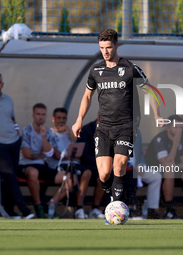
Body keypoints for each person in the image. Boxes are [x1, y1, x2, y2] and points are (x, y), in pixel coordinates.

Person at [72, 29, 161, 224]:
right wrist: (79, 119)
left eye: (108, 47)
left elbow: (150, 90)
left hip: (126, 126)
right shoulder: (95, 71)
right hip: (103, 129)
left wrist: (157, 114)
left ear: (116, 45)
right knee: (104, 174)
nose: (105, 51)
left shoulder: (130, 68)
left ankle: (117, 208)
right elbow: (87, 96)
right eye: (102, 48)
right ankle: (114, 196)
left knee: (118, 165)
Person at [0, 72, 34, 219]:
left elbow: (13, 119)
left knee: (12, 176)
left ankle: (10, 211)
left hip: (14, 142)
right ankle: (25, 211)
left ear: (2, 84)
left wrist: (18, 134)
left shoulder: (8, 100)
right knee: (10, 176)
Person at [18, 103, 66, 218]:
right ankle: (38, 206)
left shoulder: (48, 132)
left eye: (43, 115)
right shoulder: (26, 130)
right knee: (33, 172)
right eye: (38, 114)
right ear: (33, 115)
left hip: (42, 166)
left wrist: (44, 137)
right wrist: (41, 155)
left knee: (68, 178)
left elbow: (49, 153)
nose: (41, 117)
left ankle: (50, 205)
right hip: (26, 165)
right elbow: (27, 154)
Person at [145, 115, 183, 219]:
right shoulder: (160, 138)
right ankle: (169, 208)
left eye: (180, 128)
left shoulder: (182, 138)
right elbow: (165, 162)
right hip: (155, 169)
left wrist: (175, 166)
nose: (178, 130)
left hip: (173, 168)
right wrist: (175, 143)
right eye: (175, 127)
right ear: (168, 127)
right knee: (169, 170)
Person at [46, 108, 92, 219]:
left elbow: (78, 151)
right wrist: (70, 155)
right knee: (72, 180)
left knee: (88, 173)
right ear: (53, 119)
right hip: (58, 165)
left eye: (64, 118)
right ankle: (50, 204)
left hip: (72, 163)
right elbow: (56, 155)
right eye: (59, 118)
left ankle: (79, 208)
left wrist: (71, 134)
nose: (61, 121)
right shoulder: (49, 133)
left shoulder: (67, 134)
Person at [77, 114, 107, 219]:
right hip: (85, 165)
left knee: (106, 175)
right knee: (87, 173)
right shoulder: (86, 130)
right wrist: (103, 162)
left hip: (100, 167)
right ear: (99, 116)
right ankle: (79, 208)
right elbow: (84, 156)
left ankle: (96, 209)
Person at [134, 129, 162, 219]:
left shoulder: (137, 132)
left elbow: (140, 153)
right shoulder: (115, 129)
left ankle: (152, 210)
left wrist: (141, 165)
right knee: (130, 175)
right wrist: (133, 168)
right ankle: (131, 208)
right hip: (123, 167)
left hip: (138, 166)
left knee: (156, 176)